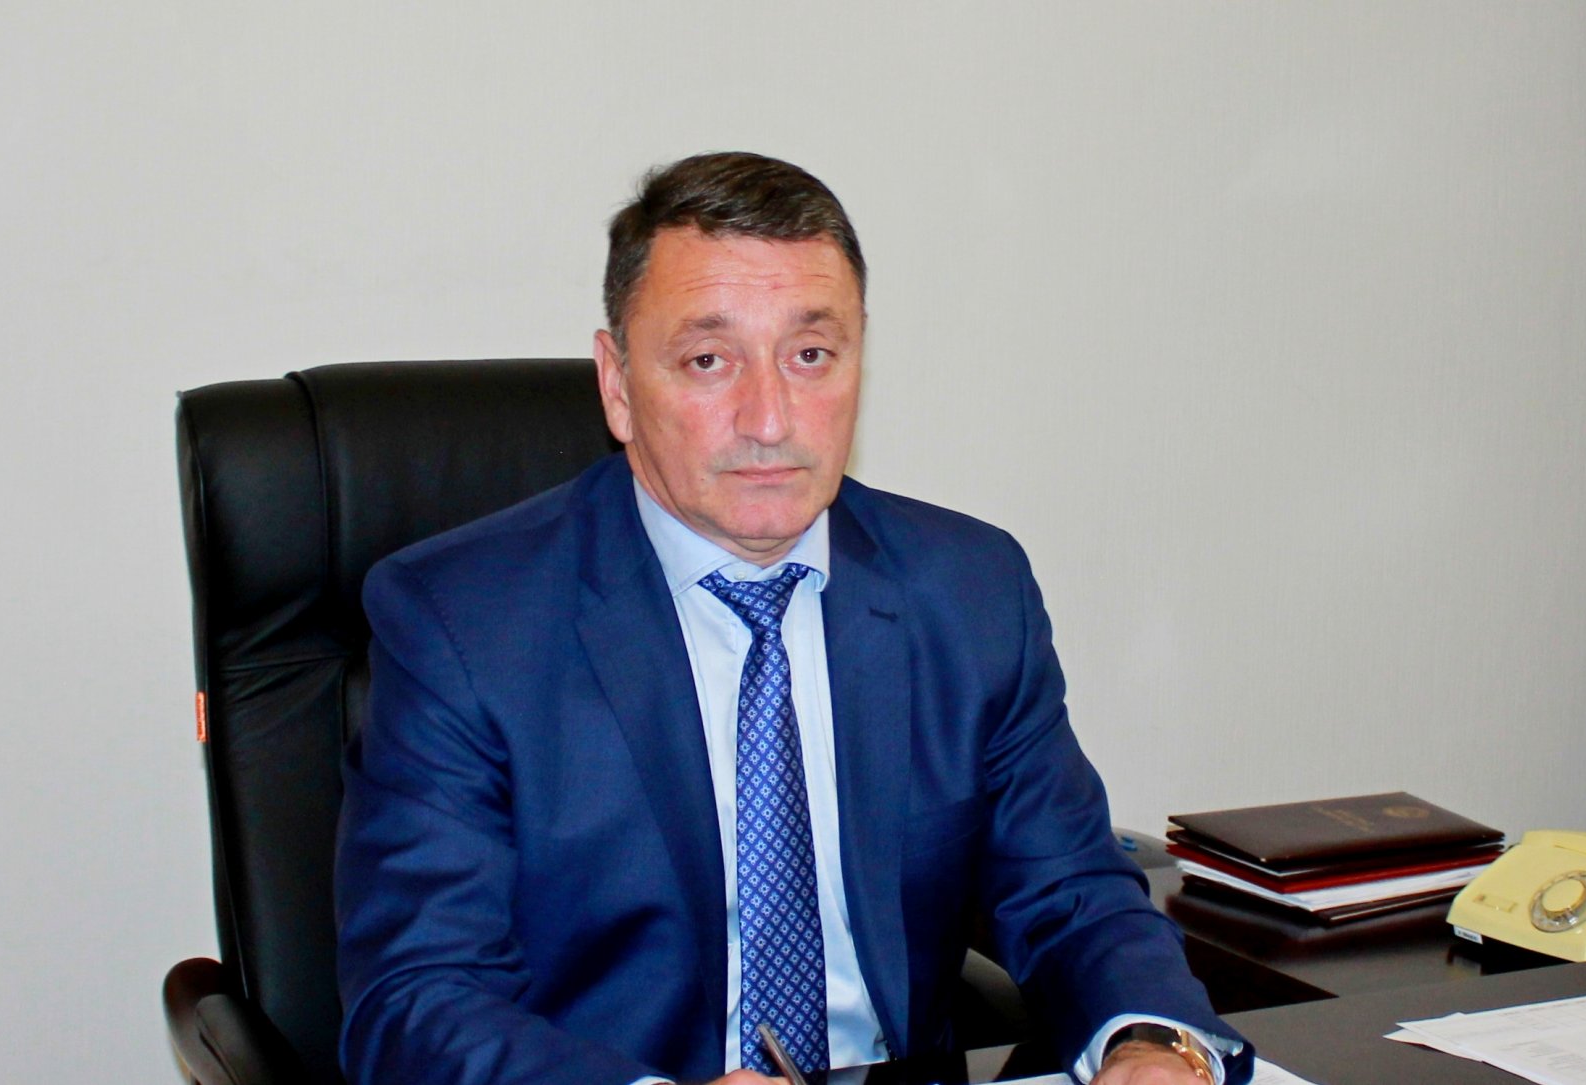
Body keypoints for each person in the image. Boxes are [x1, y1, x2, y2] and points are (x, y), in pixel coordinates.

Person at [336, 151, 1253, 1085]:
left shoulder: (969, 590)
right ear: (617, 384)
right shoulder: (462, 624)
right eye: (709, 360)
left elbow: (1072, 891)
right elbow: (417, 998)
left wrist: (1154, 1041)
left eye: (810, 355)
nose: (770, 418)